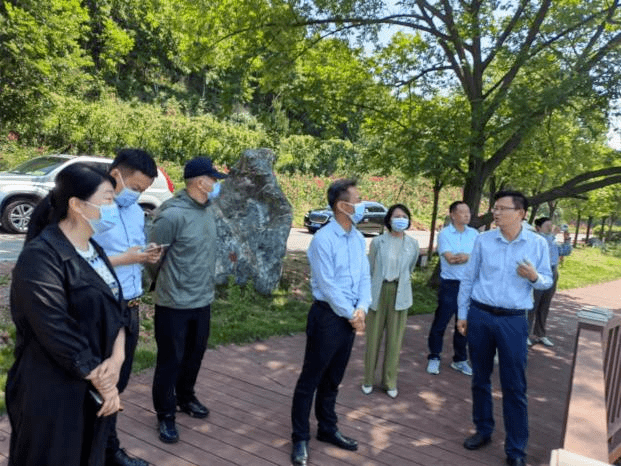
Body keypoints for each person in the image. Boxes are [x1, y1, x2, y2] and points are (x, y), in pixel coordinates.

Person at [7, 163, 127, 466]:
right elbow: (55, 328)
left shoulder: (93, 249)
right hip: (52, 389)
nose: (114, 208)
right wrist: (104, 381)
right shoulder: (41, 257)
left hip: (93, 381)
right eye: (108, 199)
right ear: (76, 205)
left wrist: (117, 358)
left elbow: (117, 306)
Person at [456, 190, 552, 466]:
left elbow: (545, 280)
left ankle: (516, 449)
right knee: (480, 379)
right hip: (481, 316)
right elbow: (469, 278)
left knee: (514, 386)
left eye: (502, 208)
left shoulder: (536, 244)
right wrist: (463, 314)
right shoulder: (484, 240)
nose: (495, 213)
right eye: (494, 208)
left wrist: (534, 276)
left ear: (520, 213)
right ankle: (483, 430)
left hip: (513, 320)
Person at [290, 179, 371, 466]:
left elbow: (364, 277)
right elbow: (328, 284)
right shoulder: (323, 239)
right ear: (341, 205)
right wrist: (352, 315)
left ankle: (327, 428)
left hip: (350, 317)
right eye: (357, 200)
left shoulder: (358, 238)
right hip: (328, 316)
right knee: (310, 378)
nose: (361, 205)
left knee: (334, 379)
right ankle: (300, 436)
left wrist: (362, 308)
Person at [148, 156, 227, 444]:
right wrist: (165, 282)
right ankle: (165, 415)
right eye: (213, 179)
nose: (216, 184)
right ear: (198, 181)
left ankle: (186, 397)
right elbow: (152, 257)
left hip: (202, 299)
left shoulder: (208, 211)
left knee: (195, 355)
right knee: (171, 361)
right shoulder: (171, 214)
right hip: (173, 303)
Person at [92, 149, 161, 466]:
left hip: (130, 307)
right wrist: (127, 258)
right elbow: (81, 261)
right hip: (101, 308)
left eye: (144, 191)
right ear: (116, 174)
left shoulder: (135, 212)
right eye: (135, 187)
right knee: (98, 383)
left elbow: (130, 250)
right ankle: (101, 451)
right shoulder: (93, 207)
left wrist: (146, 254)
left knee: (119, 382)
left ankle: (107, 448)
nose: (138, 195)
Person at [362, 203, 419, 398]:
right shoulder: (378, 242)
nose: (400, 219)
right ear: (389, 220)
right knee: (373, 338)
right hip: (379, 291)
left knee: (395, 341)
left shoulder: (412, 244)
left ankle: (389, 381)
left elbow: (410, 268)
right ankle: (368, 379)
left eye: (404, 215)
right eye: (396, 216)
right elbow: (370, 268)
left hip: (400, 292)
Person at [426, 201, 478, 376]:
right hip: (450, 285)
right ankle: (434, 357)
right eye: (462, 212)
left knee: (464, 324)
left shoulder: (475, 234)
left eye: (468, 212)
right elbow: (450, 259)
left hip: (469, 285)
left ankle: (460, 360)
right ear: (453, 215)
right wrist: (466, 258)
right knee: (441, 322)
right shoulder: (445, 234)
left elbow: (478, 257)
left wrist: (466, 257)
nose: (466, 215)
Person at [527, 217, 572, 347]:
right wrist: (553, 235)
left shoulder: (552, 241)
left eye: (551, 226)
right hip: (538, 274)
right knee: (533, 305)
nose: (550, 228)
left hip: (553, 272)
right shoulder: (537, 239)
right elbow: (543, 246)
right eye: (547, 226)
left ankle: (540, 334)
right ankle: (525, 334)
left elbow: (566, 251)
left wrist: (567, 238)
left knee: (545, 305)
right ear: (538, 228)